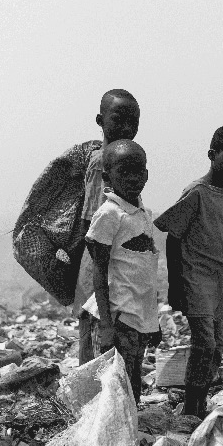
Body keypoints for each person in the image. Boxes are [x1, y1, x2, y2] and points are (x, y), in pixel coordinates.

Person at [154, 125, 223, 416]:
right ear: (211, 155)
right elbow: (173, 237)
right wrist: (174, 286)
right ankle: (189, 406)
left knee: (217, 346)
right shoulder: (196, 193)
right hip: (196, 279)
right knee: (204, 344)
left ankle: (199, 401)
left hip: (222, 282)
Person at [84, 139, 160, 404]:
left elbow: (146, 274)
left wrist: (155, 321)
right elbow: (99, 271)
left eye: (138, 171)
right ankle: (119, 435)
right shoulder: (109, 214)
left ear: (147, 174)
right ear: (108, 177)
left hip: (140, 317)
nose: (132, 178)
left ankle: (132, 432)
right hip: (119, 315)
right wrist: (105, 324)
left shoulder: (142, 215)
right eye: (123, 172)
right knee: (119, 384)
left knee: (134, 378)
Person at [74, 90, 141, 364]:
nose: (127, 127)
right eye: (119, 119)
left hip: (113, 265)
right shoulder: (104, 163)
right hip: (100, 264)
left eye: (133, 121)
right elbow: (93, 221)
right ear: (100, 120)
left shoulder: (126, 162)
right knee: (97, 337)